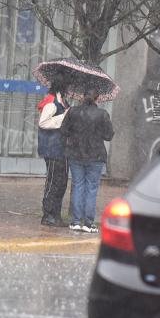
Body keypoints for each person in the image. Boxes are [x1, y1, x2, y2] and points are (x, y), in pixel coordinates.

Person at [61, 88, 115, 233]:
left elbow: (64, 131)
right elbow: (109, 135)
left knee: (78, 185)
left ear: (82, 97)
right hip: (96, 156)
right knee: (91, 189)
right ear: (97, 99)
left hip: (76, 154)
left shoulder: (72, 112)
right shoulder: (102, 114)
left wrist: (76, 132)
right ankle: (88, 223)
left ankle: (76, 221)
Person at [37, 81, 70, 227]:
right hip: (52, 148)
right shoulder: (51, 102)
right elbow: (43, 123)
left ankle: (55, 214)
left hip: (62, 148)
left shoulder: (63, 102)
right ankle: (48, 214)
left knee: (61, 182)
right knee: (53, 182)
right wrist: (63, 117)